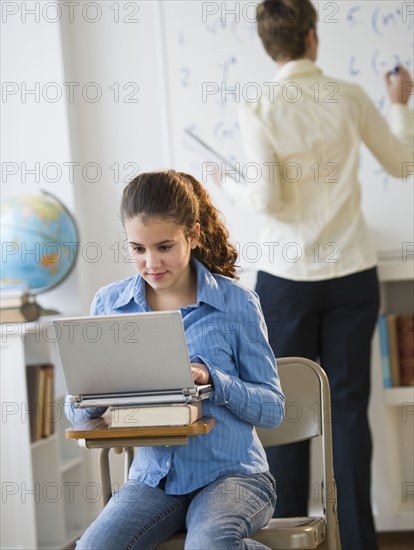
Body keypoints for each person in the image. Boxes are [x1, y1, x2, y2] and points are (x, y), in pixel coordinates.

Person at [215, 1, 414, 549]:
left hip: (285, 280)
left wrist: (227, 182)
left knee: (286, 411)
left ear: (268, 45)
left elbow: (267, 198)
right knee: (350, 411)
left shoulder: (257, 104)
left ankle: (285, 539)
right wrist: (400, 105)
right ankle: (359, 543)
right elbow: (402, 162)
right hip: (352, 273)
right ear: (311, 37)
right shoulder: (349, 97)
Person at [66, 169, 285, 550]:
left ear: (193, 235)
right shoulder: (109, 305)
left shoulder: (237, 303)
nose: (151, 262)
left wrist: (213, 380)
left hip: (234, 476)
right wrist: (95, 394)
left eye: (164, 246)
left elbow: (273, 409)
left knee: (208, 545)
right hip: (154, 480)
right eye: (137, 248)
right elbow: (78, 414)